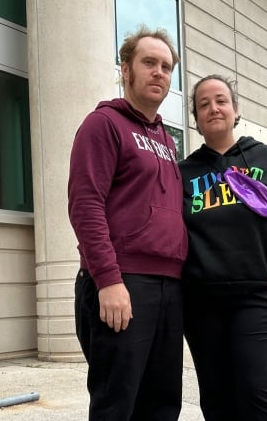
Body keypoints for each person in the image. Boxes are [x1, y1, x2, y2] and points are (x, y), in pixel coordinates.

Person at [179, 74, 267, 420]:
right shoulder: (183, 173)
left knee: (258, 392)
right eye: (204, 104)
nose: (213, 108)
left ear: (235, 109)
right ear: (195, 119)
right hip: (201, 304)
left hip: (259, 298)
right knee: (215, 395)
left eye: (221, 100)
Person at [67, 25, 188, 420]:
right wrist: (109, 280)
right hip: (123, 282)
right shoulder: (103, 125)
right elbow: (85, 205)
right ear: (125, 70)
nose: (159, 72)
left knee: (162, 403)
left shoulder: (168, 142)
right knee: (116, 404)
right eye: (148, 63)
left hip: (169, 286)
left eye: (166, 67)